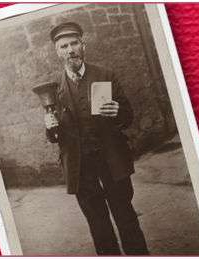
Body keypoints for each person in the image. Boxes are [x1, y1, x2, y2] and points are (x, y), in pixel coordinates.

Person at [44, 21, 149, 256]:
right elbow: (55, 136)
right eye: (64, 46)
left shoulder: (105, 75)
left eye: (74, 43)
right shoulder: (53, 89)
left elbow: (128, 115)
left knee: (125, 216)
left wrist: (118, 112)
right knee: (99, 226)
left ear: (83, 45)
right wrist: (50, 128)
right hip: (81, 166)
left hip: (112, 158)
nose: (70, 49)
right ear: (57, 52)